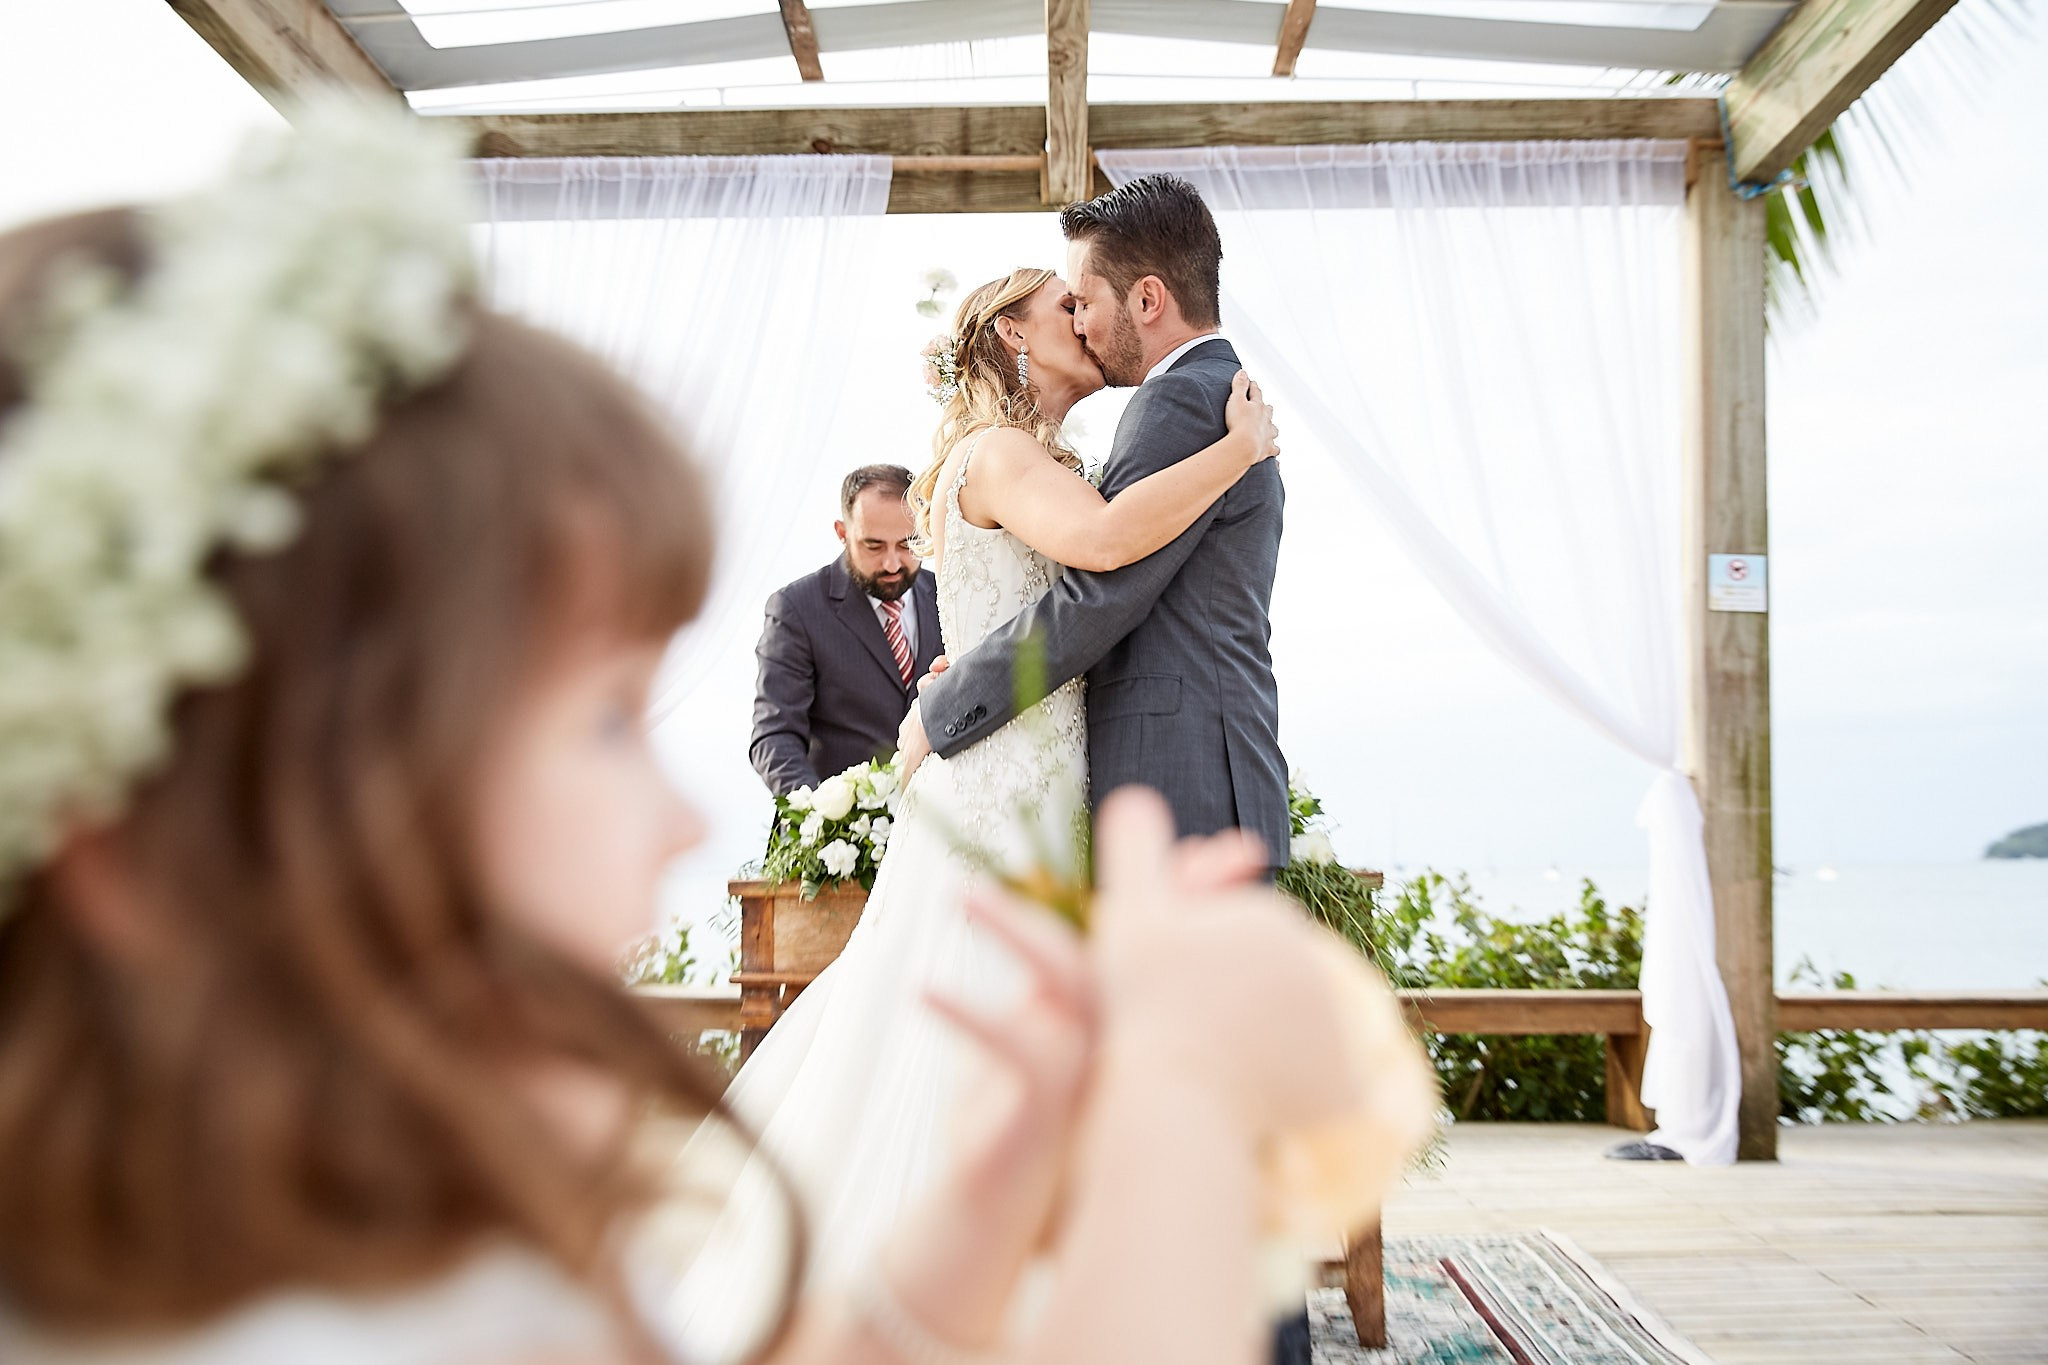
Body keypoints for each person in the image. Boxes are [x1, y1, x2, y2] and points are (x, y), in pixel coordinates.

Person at [0, 109, 1435, 1365]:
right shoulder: (1064, 451)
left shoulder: (497, 1248)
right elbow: (1104, 580)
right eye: (604, 719)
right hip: (1030, 778)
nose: (686, 821)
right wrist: (953, 704)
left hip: (1071, 783)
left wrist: (996, 1192)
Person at [686, 257, 1282, 1325]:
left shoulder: (1036, 456)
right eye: (1065, 308)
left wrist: (951, 683)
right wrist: (1237, 453)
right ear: (1012, 334)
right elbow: (1104, 551)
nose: (1085, 320)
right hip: (1001, 798)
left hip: (1039, 783)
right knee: (980, 1048)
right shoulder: (1000, 455)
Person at [898, 174, 1306, 1362]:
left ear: (1142, 296)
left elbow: (1090, 600)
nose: (1079, 319)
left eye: (1085, 297)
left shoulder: (1181, 410)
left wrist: (946, 707)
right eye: (1056, 307)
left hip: (1180, 784)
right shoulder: (1173, 413)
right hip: (1163, 780)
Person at [749, 467, 942, 797]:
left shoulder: (949, 596)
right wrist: (820, 816)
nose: (893, 563)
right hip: (838, 836)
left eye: (908, 543)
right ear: (842, 532)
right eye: (873, 546)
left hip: (935, 829)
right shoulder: (795, 609)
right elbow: (775, 735)